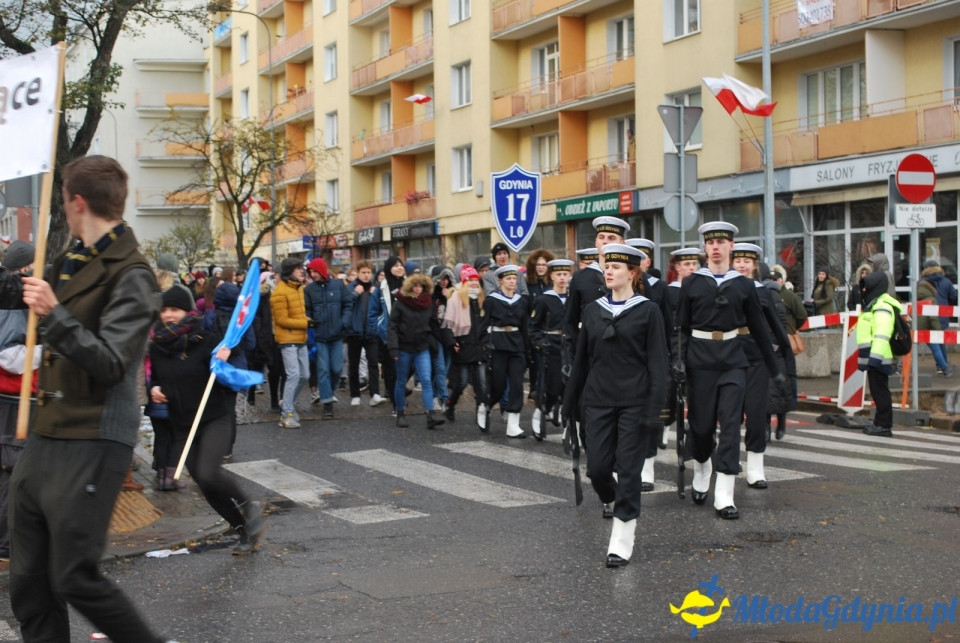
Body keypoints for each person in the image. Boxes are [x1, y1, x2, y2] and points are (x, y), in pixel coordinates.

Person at [1, 155, 173, 642]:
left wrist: (53, 314)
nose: (62, 207)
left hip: (95, 436)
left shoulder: (132, 274)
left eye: (63, 200)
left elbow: (111, 362)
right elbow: (19, 290)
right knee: (30, 581)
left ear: (76, 202)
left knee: (74, 575)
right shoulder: (73, 260)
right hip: (48, 432)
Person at [563, 244, 667, 568]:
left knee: (629, 469)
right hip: (598, 400)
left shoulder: (648, 311)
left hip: (635, 402)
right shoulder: (593, 310)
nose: (608, 271)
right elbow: (582, 361)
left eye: (616, 267)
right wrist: (569, 404)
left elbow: (658, 363)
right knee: (597, 469)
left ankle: (621, 541)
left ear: (632, 273)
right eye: (607, 266)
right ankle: (618, 497)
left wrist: (657, 407)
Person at [149, 287, 266, 553]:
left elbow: (234, 362)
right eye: (164, 310)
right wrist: (154, 389)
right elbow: (154, 377)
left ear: (186, 311)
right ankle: (242, 530)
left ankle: (249, 506)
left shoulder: (206, 339)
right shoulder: (157, 346)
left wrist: (225, 357)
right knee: (204, 484)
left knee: (208, 472)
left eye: (174, 309)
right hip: (181, 426)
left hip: (214, 418)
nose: (168, 315)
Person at [677, 222, 782, 520]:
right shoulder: (692, 283)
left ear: (730, 246)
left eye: (721, 242)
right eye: (711, 242)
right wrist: (678, 360)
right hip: (700, 361)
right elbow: (681, 327)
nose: (715, 247)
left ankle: (724, 494)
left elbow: (758, 327)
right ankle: (702, 465)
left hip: (733, 360)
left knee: (732, 425)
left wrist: (774, 367)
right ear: (705, 247)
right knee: (701, 428)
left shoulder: (744, 285)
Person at [731, 245, 794, 490]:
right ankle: (730, 458)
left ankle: (756, 468)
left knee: (756, 414)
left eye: (747, 261)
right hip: (728, 355)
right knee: (730, 413)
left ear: (754, 265)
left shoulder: (763, 291)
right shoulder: (723, 287)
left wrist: (780, 356)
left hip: (756, 357)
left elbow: (777, 327)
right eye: (738, 260)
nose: (742, 265)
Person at [0, 241, 38, 562]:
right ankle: (7, 545)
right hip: (13, 398)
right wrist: (52, 350)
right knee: (12, 472)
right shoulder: (12, 301)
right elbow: (10, 357)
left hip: (17, 397)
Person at [626, 237, 674, 489]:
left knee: (650, 413)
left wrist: (670, 358)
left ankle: (647, 469)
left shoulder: (659, 287)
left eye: (642, 257)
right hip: (623, 358)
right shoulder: (614, 283)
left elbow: (667, 326)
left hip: (650, 356)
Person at [563, 216, 630, 368]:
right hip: (589, 354)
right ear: (596, 242)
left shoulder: (633, 277)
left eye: (611, 238)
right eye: (601, 237)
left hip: (625, 357)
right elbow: (570, 322)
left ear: (622, 243)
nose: (605, 242)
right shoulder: (581, 278)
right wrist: (568, 360)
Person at [479, 264, 531, 438]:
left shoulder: (521, 301)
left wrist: (527, 350)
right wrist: (485, 345)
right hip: (498, 346)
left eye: (514, 278)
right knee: (498, 385)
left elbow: (525, 327)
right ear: (500, 281)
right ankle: (486, 405)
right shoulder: (492, 300)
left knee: (517, 384)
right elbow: (483, 326)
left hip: (516, 345)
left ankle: (513, 425)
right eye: (508, 278)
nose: (512, 282)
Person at [387, 273, 444, 429]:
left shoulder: (428, 303)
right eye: (415, 286)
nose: (418, 289)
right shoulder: (400, 303)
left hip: (421, 347)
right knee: (401, 380)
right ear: (410, 287)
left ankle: (430, 414)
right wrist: (393, 348)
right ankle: (400, 413)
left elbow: (434, 325)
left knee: (426, 380)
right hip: (403, 347)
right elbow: (392, 326)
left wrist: (448, 341)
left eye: (421, 286)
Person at [528, 258, 572, 439]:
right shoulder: (544, 299)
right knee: (552, 386)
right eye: (558, 274)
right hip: (551, 345)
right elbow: (533, 327)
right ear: (551, 276)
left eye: (565, 274)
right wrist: (540, 342)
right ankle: (541, 410)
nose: (562, 278)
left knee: (569, 386)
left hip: (569, 345)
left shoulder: (573, 298)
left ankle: (567, 422)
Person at [304, 257, 352, 420]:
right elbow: (307, 310)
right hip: (319, 336)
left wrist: (343, 322)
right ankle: (327, 403)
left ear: (322, 270)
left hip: (337, 334)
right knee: (323, 369)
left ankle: (329, 393)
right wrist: (311, 323)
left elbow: (348, 304)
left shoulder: (338, 285)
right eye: (310, 272)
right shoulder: (309, 289)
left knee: (337, 368)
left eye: (315, 271)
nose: (313, 274)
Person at [857, 271, 901, 437]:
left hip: (879, 357)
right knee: (877, 392)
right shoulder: (874, 305)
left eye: (866, 287)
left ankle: (884, 425)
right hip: (875, 356)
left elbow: (882, 335)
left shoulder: (882, 307)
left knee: (880, 392)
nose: (864, 290)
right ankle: (879, 423)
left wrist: (874, 359)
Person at [442, 266, 487, 427]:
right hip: (462, 347)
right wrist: (452, 342)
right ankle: (450, 404)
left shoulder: (482, 300)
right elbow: (447, 326)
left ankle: (481, 414)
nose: (474, 283)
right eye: (471, 280)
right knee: (461, 383)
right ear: (464, 282)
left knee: (481, 384)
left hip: (479, 348)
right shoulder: (455, 300)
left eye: (476, 280)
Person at [271, 257, 310, 429]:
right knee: (293, 375)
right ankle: (286, 414)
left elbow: (299, 314)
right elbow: (281, 320)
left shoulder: (298, 288)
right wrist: (306, 323)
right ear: (289, 272)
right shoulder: (279, 292)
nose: (301, 271)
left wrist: (309, 321)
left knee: (305, 375)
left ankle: (287, 403)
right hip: (287, 340)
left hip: (300, 338)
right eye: (297, 268)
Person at [346, 260, 386, 406]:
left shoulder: (375, 289)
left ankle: (375, 393)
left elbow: (380, 308)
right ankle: (355, 394)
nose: (366, 275)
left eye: (369, 272)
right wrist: (355, 294)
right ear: (357, 273)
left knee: (373, 363)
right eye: (363, 272)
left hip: (371, 331)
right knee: (354, 365)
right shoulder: (350, 287)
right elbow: (345, 306)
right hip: (354, 331)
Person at [372, 256, 406, 407]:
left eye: (401, 265)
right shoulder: (381, 287)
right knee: (391, 370)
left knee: (407, 367)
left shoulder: (410, 284)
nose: (399, 267)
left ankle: (400, 392)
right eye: (395, 265)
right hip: (388, 334)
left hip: (407, 333)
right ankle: (396, 402)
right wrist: (379, 328)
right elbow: (373, 312)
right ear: (388, 269)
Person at [921, 259, 958, 370]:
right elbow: (953, 296)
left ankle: (942, 366)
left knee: (934, 342)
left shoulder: (921, 282)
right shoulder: (946, 281)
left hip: (926, 315)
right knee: (940, 341)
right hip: (942, 314)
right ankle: (942, 366)